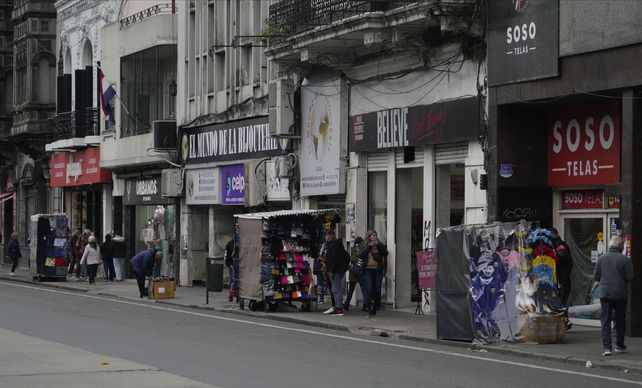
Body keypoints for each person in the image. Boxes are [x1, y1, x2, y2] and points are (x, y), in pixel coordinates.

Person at [594, 236, 634, 356]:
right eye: (622, 245)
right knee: (620, 319)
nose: (623, 246)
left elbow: (596, 276)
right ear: (620, 246)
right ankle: (619, 345)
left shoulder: (601, 259)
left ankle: (607, 347)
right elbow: (630, 277)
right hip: (620, 294)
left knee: (605, 319)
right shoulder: (625, 260)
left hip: (605, 293)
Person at [359, 230, 388, 318]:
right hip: (367, 270)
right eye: (373, 235)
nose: (375, 237)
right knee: (370, 289)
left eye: (376, 235)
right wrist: (369, 246)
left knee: (377, 290)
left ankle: (375, 307)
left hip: (377, 270)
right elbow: (360, 255)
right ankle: (369, 309)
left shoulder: (379, 244)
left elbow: (385, 253)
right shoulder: (364, 245)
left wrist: (378, 245)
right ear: (369, 237)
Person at [322, 231, 349, 316]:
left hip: (335, 271)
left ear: (329, 237)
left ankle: (339, 308)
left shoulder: (332, 246)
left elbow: (333, 260)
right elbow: (346, 256)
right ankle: (338, 307)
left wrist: (331, 270)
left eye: (326, 236)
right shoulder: (339, 245)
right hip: (340, 270)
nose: (325, 238)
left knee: (336, 289)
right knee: (336, 289)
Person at [550, 228, 573, 306]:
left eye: (551, 235)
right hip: (558, 277)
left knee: (562, 297)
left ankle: (562, 310)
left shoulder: (560, 245)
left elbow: (563, 258)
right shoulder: (552, 245)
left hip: (561, 277)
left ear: (556, 234)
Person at [344, 236, 364, 311]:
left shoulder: (354, 249)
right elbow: (353, 259)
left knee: (351, 289)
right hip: (358, 271)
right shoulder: (357, 249)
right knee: (362, 289)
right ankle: (365, 305)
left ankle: (347, 304)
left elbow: (352, 259)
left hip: (354, 271)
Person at [225, 225, 240, 302]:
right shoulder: (230, 244)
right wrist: (228, 263)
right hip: (232, 263)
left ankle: (237, 296)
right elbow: (227, 254)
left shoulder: (238, 243)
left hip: (237, 263)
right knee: (233, 280)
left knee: (236, 280)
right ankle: (231, 295)